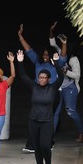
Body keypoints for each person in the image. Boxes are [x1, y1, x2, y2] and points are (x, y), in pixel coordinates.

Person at [18, 23, 67, 153]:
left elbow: (62, 56)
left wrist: (64, 43)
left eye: (47, 55)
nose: (45, 57)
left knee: (51, 117)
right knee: (35, 116)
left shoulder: (56, 63)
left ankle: (48, 141)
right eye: (44, 55)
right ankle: (34, 144)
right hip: (38, 92)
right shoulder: (38, 61)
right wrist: (20, 36)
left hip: (53, 92)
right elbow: (28, 50)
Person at [16, 49, 64, 164]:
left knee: (45, 145)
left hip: (47, 121)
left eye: (44, 78)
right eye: (40, 77)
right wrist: (20, 62)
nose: (42, 79)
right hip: (33, 121)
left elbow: (62, 77)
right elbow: (24, 76)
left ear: (48, 79)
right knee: (37, 147)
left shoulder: (52, 88)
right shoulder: (34, 87)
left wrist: (57, 63)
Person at [49, 28, 83, 142]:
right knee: (55, 112)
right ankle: (50, 137)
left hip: (70, 87)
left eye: (65, 44)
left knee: (71, 111)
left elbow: (77, 76)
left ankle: (81, 132)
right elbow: (52, 43)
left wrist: (66, 72)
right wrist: (51, 31)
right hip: (58, 88)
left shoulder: (74, 59)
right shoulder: (60, 52)